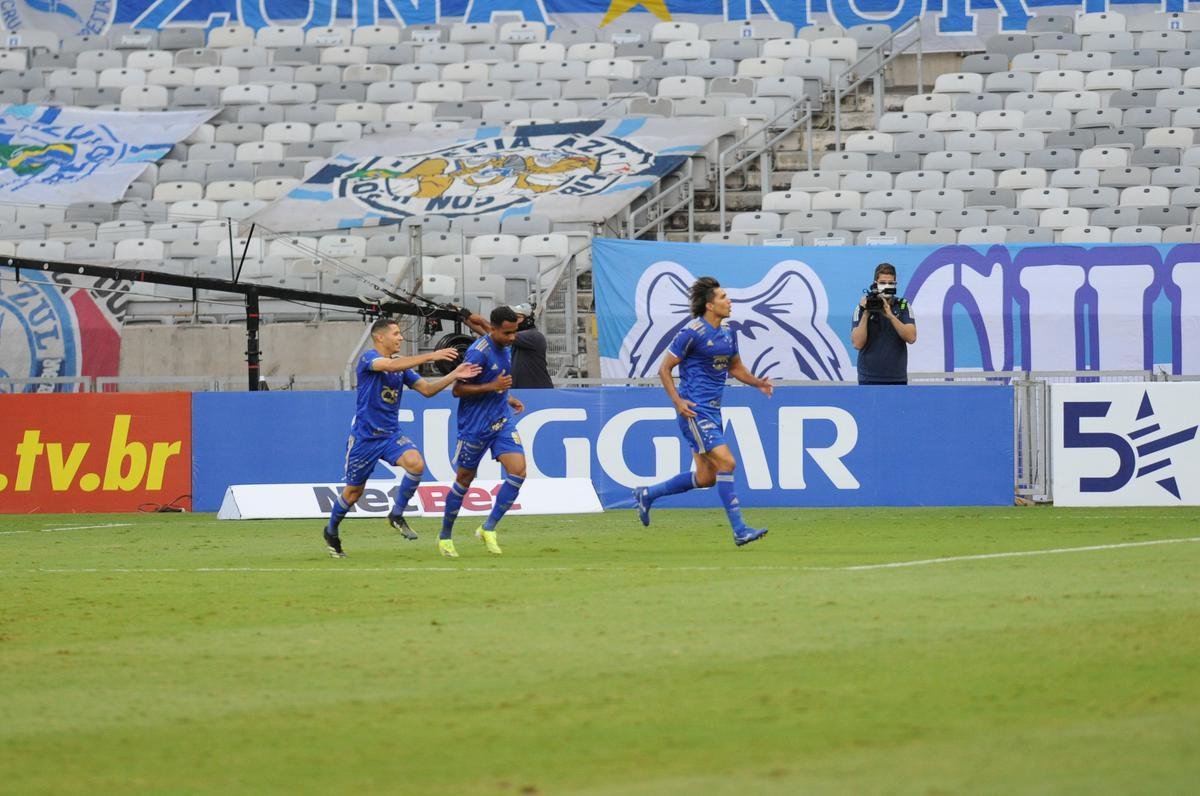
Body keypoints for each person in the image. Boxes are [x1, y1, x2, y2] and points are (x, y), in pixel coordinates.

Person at [632, 276, 773, 547]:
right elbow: (664, 368)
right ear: (710, 305)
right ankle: (740, 530)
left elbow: (735, 368)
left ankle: (647, 494)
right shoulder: (691, 333)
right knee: (727, 463)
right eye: (723, 297)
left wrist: (758, 383)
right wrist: (678, 402)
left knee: (707, 477)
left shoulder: (728, 333)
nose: (729, 301)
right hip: (695, 412)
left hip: (715, 412)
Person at [323, 317, 480, 558]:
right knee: (354, 493)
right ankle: (331, 532)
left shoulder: (401, 366)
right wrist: (431, 356)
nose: (400, 338)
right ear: (380, 337)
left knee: (416, 464)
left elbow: (427, 390)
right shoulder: (368, 359)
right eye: (396, 334)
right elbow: (390, 367)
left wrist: (455, 375)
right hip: (365, 438)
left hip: (390, 435)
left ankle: (396, 514)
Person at [438, 305, 526, 558]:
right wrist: (493, 386)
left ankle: (488, 529)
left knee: (518, 471)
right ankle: (445, 536)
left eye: (514, 333)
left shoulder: (504, 344)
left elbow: (497, 379)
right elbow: (458, 390)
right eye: (508, 333)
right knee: (464, 480)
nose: (512, 338)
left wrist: (507, 397)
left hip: (501, 421)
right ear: (496, 329)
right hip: (475, 427)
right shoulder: (477, 354)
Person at [851, 262, 917, 385]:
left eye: (890, 283)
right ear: (875, 283)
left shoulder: (902, 305)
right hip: (868, 377)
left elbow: (911, 337)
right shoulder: (862, 306)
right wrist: (866, 313)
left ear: (895, 284)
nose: (886, 285)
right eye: (882, 282)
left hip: (897, 378)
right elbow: (857, 343)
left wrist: (891, 316)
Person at [509, 302, 554, 389]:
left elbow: (499, 334)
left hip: (537, 393)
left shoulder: (533, 336)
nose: (513, 321)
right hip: (524, 392)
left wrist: (479, 321)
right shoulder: (517, 339)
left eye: (517, 317)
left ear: (528, 320)